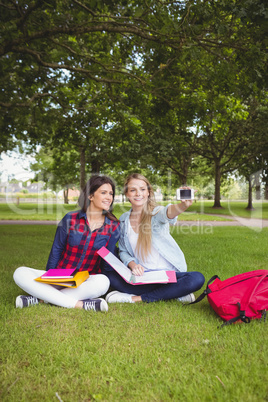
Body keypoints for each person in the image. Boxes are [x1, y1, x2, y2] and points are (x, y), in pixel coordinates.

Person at [13, 175, 120, 312]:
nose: (109, 197)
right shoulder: (70, 219)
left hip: (87, 280)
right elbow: (56, 250)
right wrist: (50, 279)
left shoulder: (113, 226)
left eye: (111, 193)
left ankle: (40, 299)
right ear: (90, 196)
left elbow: (107, 261)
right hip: (61, 274)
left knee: (103, 282)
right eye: (103, 192)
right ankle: (81, 305)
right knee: (20, 273)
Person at [104, 173, 205, 304]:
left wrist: (182, 206)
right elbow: (123, 251)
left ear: (148, 193)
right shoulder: (124, 219)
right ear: (127, 194)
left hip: (167, 275)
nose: (138, 194)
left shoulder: (156, 212)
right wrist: (133, 265)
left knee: (196, 278)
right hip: (144, 277)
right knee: (110, 276)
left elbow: (167, 213)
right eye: (133, 190)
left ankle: (137, 298)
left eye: (142, 189)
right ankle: (174, 294)